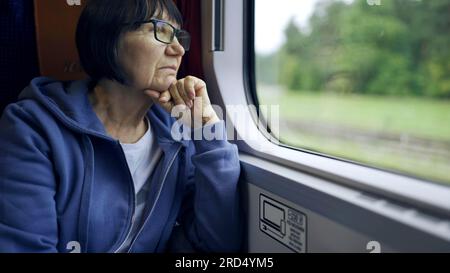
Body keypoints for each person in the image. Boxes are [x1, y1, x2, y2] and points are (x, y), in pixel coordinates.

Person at [0, 0, 243, 253]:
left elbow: (217, 245)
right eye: (160, 30)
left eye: (179, 36)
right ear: (107, 37)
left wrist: (207, 130)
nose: (178, 49)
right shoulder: (31, 128)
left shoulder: (177, 138)